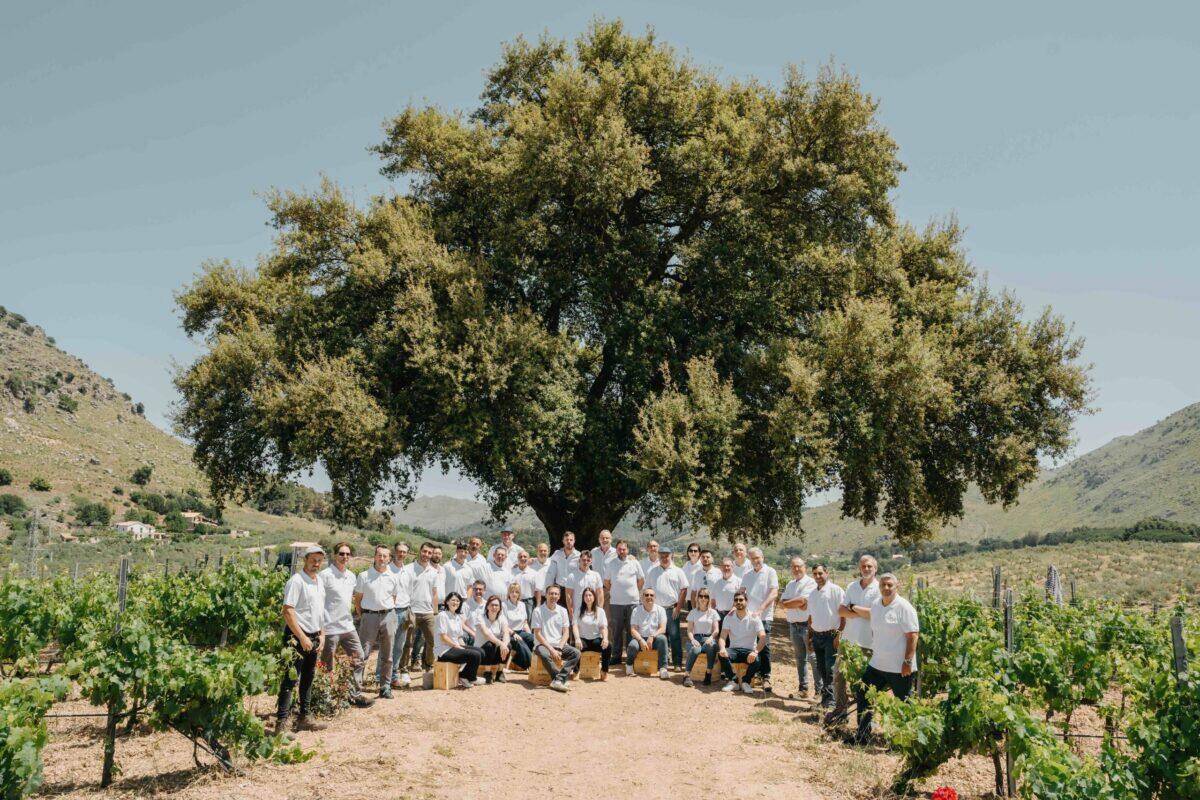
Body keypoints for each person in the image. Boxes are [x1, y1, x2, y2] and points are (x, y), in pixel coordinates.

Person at [845, 573, 919, 744]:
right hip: (877, 664)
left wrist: (907, 662)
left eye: (889, 585)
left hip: (899, 668)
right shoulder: (876, 605)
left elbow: (913, 636)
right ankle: (863, 736)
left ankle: (905, 742)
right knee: (864, 693)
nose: (886, 588)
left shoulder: (904, 607)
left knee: (904, 705)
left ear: (896, 586)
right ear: (879, 587)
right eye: (883, 585)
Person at [275, 545, 328, 732]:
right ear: (305, 559)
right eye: (313, 559)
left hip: (313, 636)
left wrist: (322, 634)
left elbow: (320, 611)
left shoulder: (319, 581)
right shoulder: (296, 581)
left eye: (319, 560)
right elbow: (288, 611)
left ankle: (305, 717)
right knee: (290, 679)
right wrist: (302, 637)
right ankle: (281, 724)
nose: (316, 563)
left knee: (308, 678)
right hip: (296, 637)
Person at [318, 543, 374, 708]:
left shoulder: (351, 576)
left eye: (348, 554)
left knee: (358, 658)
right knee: (326, 664)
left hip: (348, 626)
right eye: (341, 553)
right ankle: (325, 697)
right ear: (335, 555)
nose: (345, 557)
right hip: (329, 627)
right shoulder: (325, 575)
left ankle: (354, 694)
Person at [832, 555, 880, 722]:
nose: (866, 569)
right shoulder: (852, 586)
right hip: (848, 641)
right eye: (863, 566)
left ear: (875, 568)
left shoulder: (880, 589)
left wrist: (853, 608)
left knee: (864, 683)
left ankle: (865, 721)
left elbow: (874, 615)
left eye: (869, 566)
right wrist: (860, 611)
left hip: (868, 644)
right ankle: (840, 711)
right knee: (838, 676)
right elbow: (841, 611)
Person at [354, 544, 400, 699]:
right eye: (379, 555)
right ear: (374, 556)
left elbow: (393, 598)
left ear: (389, 558)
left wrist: (387, 612)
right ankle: (356, 688)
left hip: (388, 616)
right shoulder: (364, 576)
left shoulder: (393, 577)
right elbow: (357, 600)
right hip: (369, 617)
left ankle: (385, 687)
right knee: (363, 654)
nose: (382, 559)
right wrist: (364, 616)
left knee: (387, 655)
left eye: (385, 556)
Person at [804, 564, 845, 709]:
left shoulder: (836, 591)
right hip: (817, 636)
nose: (817, 576)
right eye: (814, 574)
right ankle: (825, 700)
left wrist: (839, 635)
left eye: (820, 573)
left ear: (827, 573)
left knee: (831, 668)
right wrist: (809, 636)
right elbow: (810, 617)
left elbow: (843, 615)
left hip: (830, 636)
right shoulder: (812, 593)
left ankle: (832, 703)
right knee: (821, 668)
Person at [740, 547, 779, 692]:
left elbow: (774, 592)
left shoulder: (770, 572)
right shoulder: (747, 574)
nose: (755, 560)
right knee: (751, 645)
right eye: (752, 558)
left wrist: (761, 609)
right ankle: (754, 674)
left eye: (757, 557)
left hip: (764, 616)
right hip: (749, 617)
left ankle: (766, 677)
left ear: (763, 557)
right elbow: (741, 592)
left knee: (764, 647)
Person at [645, 546, 688, 670]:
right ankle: (660, 662)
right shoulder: (653, 571)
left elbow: (684, 589)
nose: (664, 558)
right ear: (658, 556)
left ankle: (677, 663)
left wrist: (678, 608)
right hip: (657, 610)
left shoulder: (678, 571)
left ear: (671, 556)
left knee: (674, 636)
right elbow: (648, 589)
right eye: (662, 556)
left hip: (672, 609)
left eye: (667, 556)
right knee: (659, 636)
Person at [602, 539, 644, 668]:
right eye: (619, 549)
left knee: (632, 630)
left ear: (627, 550)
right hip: (616, 603)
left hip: (632, 602)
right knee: (616, 631)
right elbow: (606, 582)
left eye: (624, 549)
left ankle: (632, 656)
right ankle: (616, 656)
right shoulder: (611, 563)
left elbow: (641, 580)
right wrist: (616, 591)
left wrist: (632, 592)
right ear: (616, 550)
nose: (621, 551)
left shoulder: (635, 563)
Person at [779, 556, 817, 697]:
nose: (796, 569)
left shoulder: (810, 583)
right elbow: (781, 602)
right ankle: (803, 689)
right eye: (793, 566)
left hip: (807, 626)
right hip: (793, 626)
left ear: (804, 567)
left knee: (813, 659)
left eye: (799, 566)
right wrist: (795, 603)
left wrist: (792, 602)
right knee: (800, 658)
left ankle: (819, 691)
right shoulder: (790, 584)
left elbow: (802, 601)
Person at [530, 585, 579, 692]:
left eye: (556, 594)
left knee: (576, 653)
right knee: (545, 654)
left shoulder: (563, 611)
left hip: (558, 645)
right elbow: (537, 634)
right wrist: (552, 650)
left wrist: (559, 648)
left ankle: (558, 679)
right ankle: (559, 679)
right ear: (546, 595)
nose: (554, 596)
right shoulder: (537, 611)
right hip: (542, 645)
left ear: (559, 596)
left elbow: (566, 632)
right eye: (551, 593)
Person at [717, 589, 766, 694]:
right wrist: (722, 648)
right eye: (736, 600)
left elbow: (762, 637)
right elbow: (722, 637)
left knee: (757, 659)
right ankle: (733, 681)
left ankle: (746, 682)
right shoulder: (728, 618)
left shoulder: (754, 618)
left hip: (749, 651)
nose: (738, 602)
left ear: (746, 602)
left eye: (741, 600)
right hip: (734, 650)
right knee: (721, 654)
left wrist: (755, 651)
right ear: (734, 602)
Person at [435, 592, 484, 689]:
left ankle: (465, 675)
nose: (455, 602)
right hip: (444, 650)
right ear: (447, 602)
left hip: (454, 646)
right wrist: (458, 647)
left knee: (480, 651)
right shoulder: (442, 615)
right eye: (453, 600)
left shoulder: (457, 617)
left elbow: (459, 637)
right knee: (475, 655)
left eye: (458, 601)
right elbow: (443, 638)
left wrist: (465, 648)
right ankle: (468, 677)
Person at [404, 542, 441, 672]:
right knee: (407, 643)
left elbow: (435, 594)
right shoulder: (408, 569)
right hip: (411, 611)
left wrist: (435, 613)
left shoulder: (434, 572)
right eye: (424, 551)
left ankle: (428, 665)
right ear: (420, 551)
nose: (426, 555)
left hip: (428, 612)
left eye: (429, 553)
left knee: (433, 642)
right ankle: (403, 668)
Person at [384, 541, 414, 689]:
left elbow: (410, 591)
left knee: (399, 647)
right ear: (394, 552)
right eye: (399, 551)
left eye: (404, 552)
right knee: (387, 646)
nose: (401, 554)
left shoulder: (408, 571)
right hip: (391, 612)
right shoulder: (386, 570)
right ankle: (381, 677)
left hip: (404, 611)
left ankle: (393, 677)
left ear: (407, 554)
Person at [627, 587, 669, 679]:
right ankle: (629, 665)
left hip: (654, 639)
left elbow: (663, 628)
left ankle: (663, 668)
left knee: (663, 639)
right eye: (646, 595)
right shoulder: (636, 610)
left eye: (651, 595)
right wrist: (641, 640)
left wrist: (652, 636)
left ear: (655, 598)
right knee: (632, 646)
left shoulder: (661, 610)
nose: (649, 597)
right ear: (642, 598)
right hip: (640, 638)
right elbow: (633, 629)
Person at [683, 588, 720, 687]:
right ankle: (686, 676)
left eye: (706, 596)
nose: (703, 598)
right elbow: (689, 630)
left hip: (708, 638)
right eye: (701, 596)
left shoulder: (713, 612)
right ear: (697, 598)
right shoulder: (693, 612)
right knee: (695, 650)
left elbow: (716, 630)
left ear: (709, 599)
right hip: (696, 638)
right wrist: (693, 639)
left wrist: (711, 638)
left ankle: (708, 674)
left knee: (711, 646)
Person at [573, 586, 611, 680]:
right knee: (573, 647)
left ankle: (604, 671)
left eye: (590, 595)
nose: (588, 597)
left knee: (608, 646)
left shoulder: (600, 611)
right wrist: (577, 639)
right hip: (583, 641)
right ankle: (576, 671)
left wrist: (605, 638)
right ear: (583, 598)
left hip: (595, 640)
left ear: (594, 597)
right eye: (586, 595)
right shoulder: (578, 611)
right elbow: (575, 626)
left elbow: (603, 627)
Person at [475, 595, 513, 682]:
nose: (494, 607)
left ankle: (500, 673)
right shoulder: (480, 617)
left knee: (509, 645)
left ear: (500, 608)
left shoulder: (502, 618)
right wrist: (502, 644)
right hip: (481, 653)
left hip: (493, 654)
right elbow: (487, 635)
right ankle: (487, 673)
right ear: (487, 606)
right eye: (492, 605)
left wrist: (505, 645)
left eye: (496, 605)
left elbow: (506, 633)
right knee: (490, 644)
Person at [566, 548, 604, 632]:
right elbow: (568, 595)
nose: (585, 562)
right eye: (583, 560)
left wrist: (600, 610)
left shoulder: (596, 575)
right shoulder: (572, 576)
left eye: (588, 560)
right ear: (579, 561)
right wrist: (571, 611)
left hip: (592, 612)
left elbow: (600, 593)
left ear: (591, 562)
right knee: (577, 636)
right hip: (578, 612)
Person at [502, 582, 535, 670]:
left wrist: (530, 635)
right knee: (520, 642)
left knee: (534, 639)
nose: (514, 594)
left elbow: (525, 623)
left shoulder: (522, 605)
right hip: (508, 633)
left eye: (516, 592)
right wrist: (513, 634)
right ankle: (532, 664)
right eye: (512, 591)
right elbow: (503, 625)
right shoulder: (504, 605)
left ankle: (520, 662)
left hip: (521, 631)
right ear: (509, 593)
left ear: (519, 594)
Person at [544, 531, 581, 606]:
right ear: (563, 541)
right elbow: (546, 562)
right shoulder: (557, 554)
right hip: (559, 589)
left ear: (574, 541)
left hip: (573, 589)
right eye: (566, 540)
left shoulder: (579, 556)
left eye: (571, 540)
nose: (569, 542)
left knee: (573, 612)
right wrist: (532, 560)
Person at [710, 557, 742, 623]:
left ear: (732, 567)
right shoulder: (717, 583)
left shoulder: (739, 582)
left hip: (734, 615)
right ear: (721, 568)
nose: (726, 568)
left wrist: (734, 609)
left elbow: (742, 600)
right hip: (719, 616)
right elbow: (713, 601)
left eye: (728, 566)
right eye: (724, 566)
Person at [513, 550, 540, 620]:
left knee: (528, 622)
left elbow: (537, 591)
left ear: (528, 559)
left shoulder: (534, 573)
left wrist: (538, 606)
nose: (522, 558)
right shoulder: (512, 571)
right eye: (520, 557)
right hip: (514, 601)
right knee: (515, 622)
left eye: (525, 557)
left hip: (529, 603)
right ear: (517, 559)